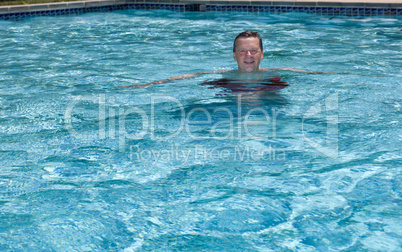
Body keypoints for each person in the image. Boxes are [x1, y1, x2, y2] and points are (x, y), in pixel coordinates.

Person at [119, 30, 346, 89]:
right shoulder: (224, 77)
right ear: (234, 55)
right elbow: (191, 76)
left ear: (262, 54)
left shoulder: (274, 76)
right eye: (243, 51)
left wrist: (345, 75)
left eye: (254, 51)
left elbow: (311, 74)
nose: (248, 56)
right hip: (232, 99)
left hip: (267, 100)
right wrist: (149, 84)